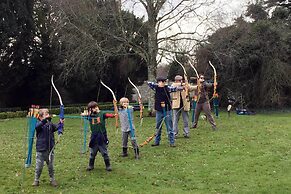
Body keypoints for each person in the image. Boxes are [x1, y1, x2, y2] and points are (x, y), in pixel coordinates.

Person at [147, 76, 183, 147]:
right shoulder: (156, 87)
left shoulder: (167, 88)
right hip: (159, 110)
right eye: (161, 82)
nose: (162, 83)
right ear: (158, 82)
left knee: (169, 127)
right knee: (158, 127)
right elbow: (149, 83)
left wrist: (182, 87)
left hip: (167, 110)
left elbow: (175, 89)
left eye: (163, 82)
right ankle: (157, 141)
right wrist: (157, 84)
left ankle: (172, 142)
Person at [32, 108, 64, 187]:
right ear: (40, 117)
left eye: (48, 114)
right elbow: (37, 127)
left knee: (51, 166)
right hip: (41, 150)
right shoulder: (39, 124)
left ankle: (52, 179)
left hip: (50, 149)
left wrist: (60, 122)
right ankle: (36, 180)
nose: (48, 115)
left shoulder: (50, 124)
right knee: (39, 167)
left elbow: (56, 127)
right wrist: (44, 120)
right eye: (46, 114)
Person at [83, 101, 115, 171]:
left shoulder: (102, 113)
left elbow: (107, 115)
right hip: (94, 137)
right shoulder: (89, 116)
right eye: (93, 108)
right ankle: (91, 165)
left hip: (102, 136)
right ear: (90, 110)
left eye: (96, 107)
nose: (96, 109)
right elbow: (83, 115)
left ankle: (108, 165)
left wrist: (113, 115)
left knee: (104, 153)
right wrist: (86, 113)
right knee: (92, 153)